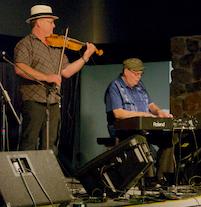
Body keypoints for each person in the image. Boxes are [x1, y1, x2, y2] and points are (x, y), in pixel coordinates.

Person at [14, 5, 95, 150]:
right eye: (50, 22)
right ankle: (26, 172)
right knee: (29, 141)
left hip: (52, 101)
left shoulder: (56, 46)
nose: (54, 25)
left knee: (49, 144)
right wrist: (46, 77)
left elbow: (67, 71)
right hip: (33, 101)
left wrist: (85, 57)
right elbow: (20, 68)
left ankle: (47, 172)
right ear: (39, 22)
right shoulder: (26, 44)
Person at [104, 58, 175, 187]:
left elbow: (151, 105)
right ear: (126, 71)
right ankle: (148, 179)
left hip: (143, 128)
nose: (139, 76)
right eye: (136, 73)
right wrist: (141, 114)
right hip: (123, 130)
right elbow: (118, 113)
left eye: (140, 73)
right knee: (141, 140)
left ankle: (161, 177)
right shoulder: (114, 87)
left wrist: (159, 112)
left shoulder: (140, 86)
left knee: (167, 139)